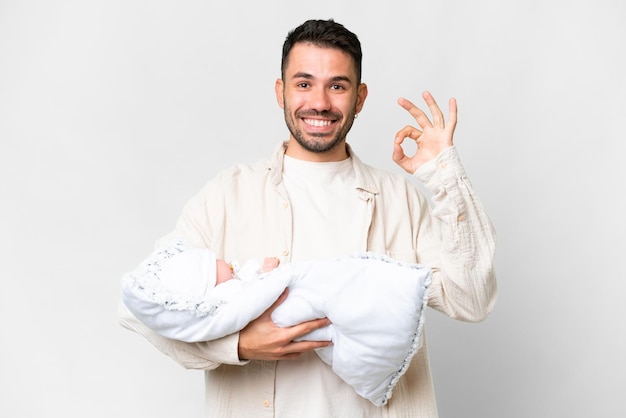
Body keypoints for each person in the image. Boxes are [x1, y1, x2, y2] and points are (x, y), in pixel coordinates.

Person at [119, 18, 497, 417]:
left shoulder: (399, 199)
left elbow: (472, 298)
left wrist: (443, 173)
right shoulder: (226, 195)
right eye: (303, 83)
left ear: (360, 97)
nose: (320, 102)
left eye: (337, 85)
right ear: (281, 91)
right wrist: (239, 344)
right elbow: (138, 307)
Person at [120, 239, 432, 406]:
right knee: (336, 301)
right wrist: (240, 343)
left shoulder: (229, 288)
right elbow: (251, 300)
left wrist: (262, 272)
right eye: (222, 265)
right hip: (288, 317)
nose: (229, 264)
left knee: (343, 300)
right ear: (207, 283)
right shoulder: (219, 301)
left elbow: (247, 285)